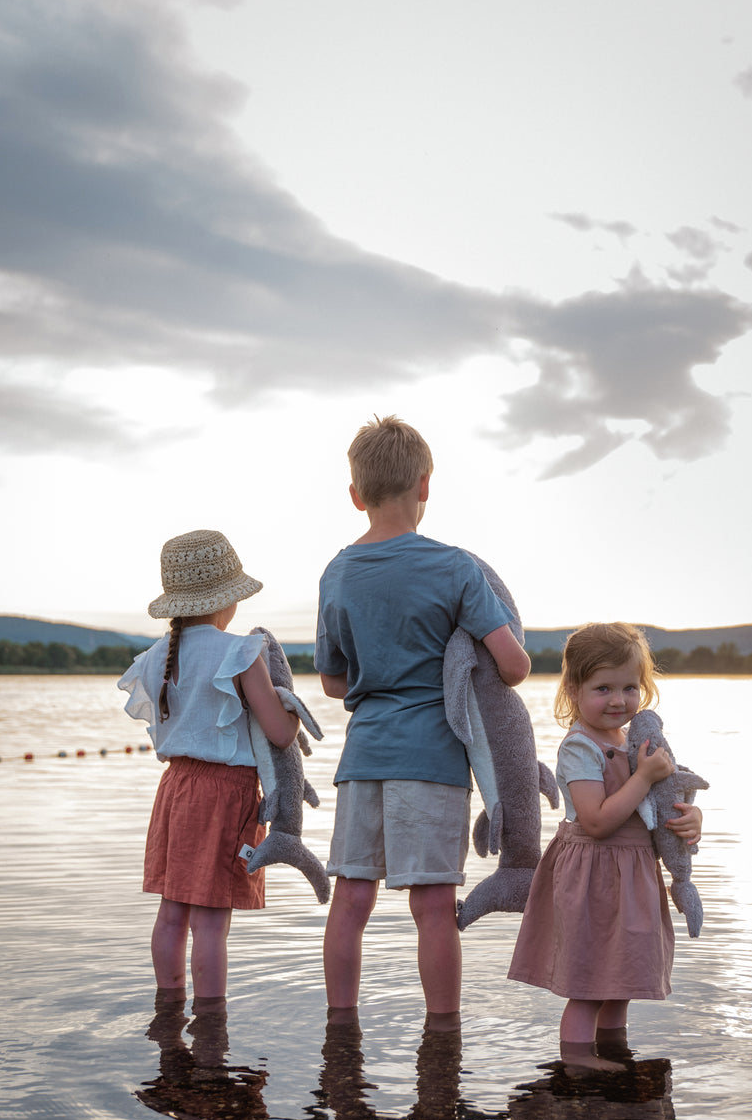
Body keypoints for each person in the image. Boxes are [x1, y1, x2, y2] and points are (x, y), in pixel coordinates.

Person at [315, 414, 531, 1031]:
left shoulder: (337, 572)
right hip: (434, 759)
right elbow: (513, 666)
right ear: (426, 484)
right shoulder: (455, 568)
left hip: (363, 759)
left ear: (356, 495)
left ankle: (340, 1029)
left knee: (351, 899)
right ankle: (444, 1037)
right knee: (433, 906)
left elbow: (334, 682)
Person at [507, 622, 702, 1071]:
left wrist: (692, 819)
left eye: (630, 687)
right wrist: (643, 776)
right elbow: (595, 821)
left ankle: (613, 1052)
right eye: (603, 688)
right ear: (574, 689)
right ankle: (577, 1061)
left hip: (633, 873)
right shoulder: (580, 747)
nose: (619, 700)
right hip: (593, 873)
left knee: (621, 979)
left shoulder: (638, 745)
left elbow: (665, 801)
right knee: (589, 981)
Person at [119, 529, 298, 1010]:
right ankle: (212, 1021)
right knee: (213, 918)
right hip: (226, 793)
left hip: (175, 788)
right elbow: (280, 733)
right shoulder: (241, 651)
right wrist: (293, 707)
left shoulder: (155, 657)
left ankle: (168, 1007)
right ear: (228, 600)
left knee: (172, 909)